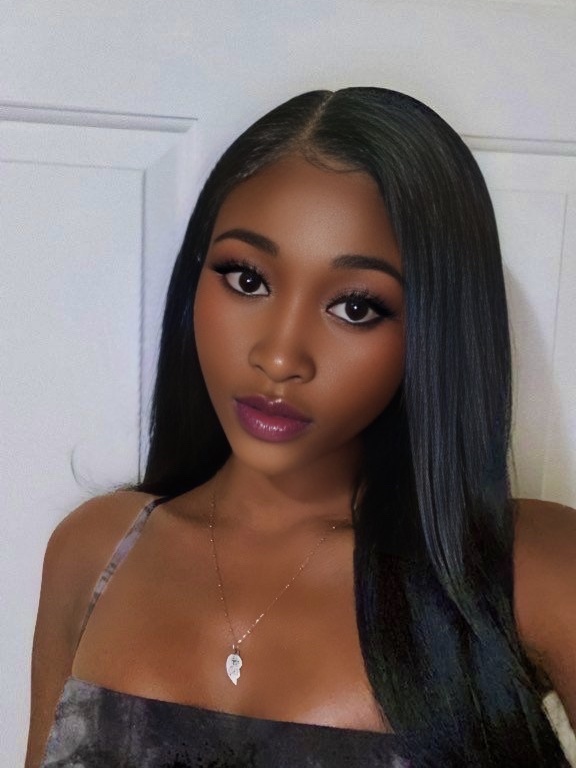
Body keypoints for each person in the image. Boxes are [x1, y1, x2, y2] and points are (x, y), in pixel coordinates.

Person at [25, 87, 576, 767]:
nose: (280, 356)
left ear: (434, 329)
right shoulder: (94, 549)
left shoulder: (534, 570)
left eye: (356, 307)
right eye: (246, 279)